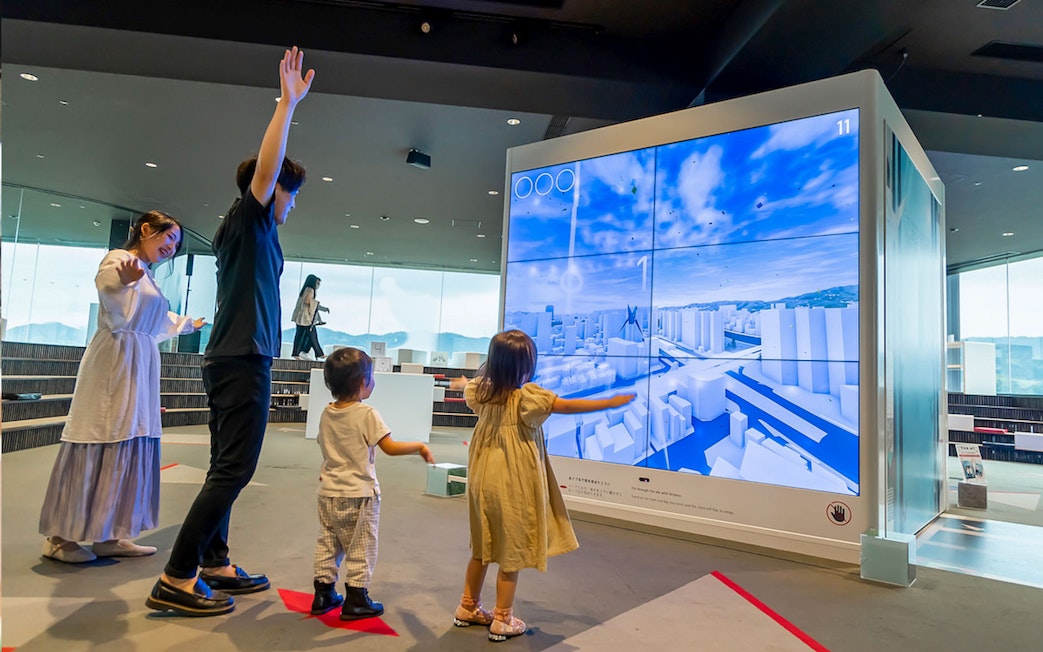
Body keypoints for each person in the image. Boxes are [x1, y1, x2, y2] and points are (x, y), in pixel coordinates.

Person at [146, 45, 315, 617]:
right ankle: (177, 574)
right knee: (235, 469)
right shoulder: (252, 215)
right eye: (289, 194)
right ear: (272, 193)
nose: (291, 205)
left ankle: (214, 560)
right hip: (243, 358)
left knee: (226, 466)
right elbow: (267, 170)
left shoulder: (246, 232)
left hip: (235, 356)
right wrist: (286, 105)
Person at [39, 210, 206, 563]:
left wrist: (188, 324)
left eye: (176, 242)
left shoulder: (149, 278)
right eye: (168, 237)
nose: (172, 246)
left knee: (131, 437)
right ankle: (60, 536)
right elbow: (108, 287)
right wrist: (125, 281)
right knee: (101, 433)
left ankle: (110, 532)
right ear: (146, 229)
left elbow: (160, 320)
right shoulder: (120, 259)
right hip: (115, 360)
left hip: (140, 361)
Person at [448, 329, 635, 641]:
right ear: (525, 367)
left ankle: (468, 606)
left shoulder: (481, 391)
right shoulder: (525, 400)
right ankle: (503, 619)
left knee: (482, 547)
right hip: (511, 479)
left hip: (482, 478)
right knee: (511, 551)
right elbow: (566, 406)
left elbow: (467, 386)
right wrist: (610, 402)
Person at [309, 347, 435, 619]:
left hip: (328, 492)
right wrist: (419, 447)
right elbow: (388, 446)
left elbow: (326, 447)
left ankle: (323, 592)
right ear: (362, 383)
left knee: (328, 541)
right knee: (361, 545)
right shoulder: (366, 414)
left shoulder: (327, 412)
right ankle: (356, 598)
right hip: (360, 494)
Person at [291, 274, 329, 360]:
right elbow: (307, 301)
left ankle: (297, 353)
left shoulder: (304, 289)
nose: (318, 286)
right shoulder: (310, 290)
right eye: (317, 283)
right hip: (306, 318)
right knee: (312, 335)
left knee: (300, 335)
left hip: (299, 316)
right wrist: (317, 304)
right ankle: (318, 353)